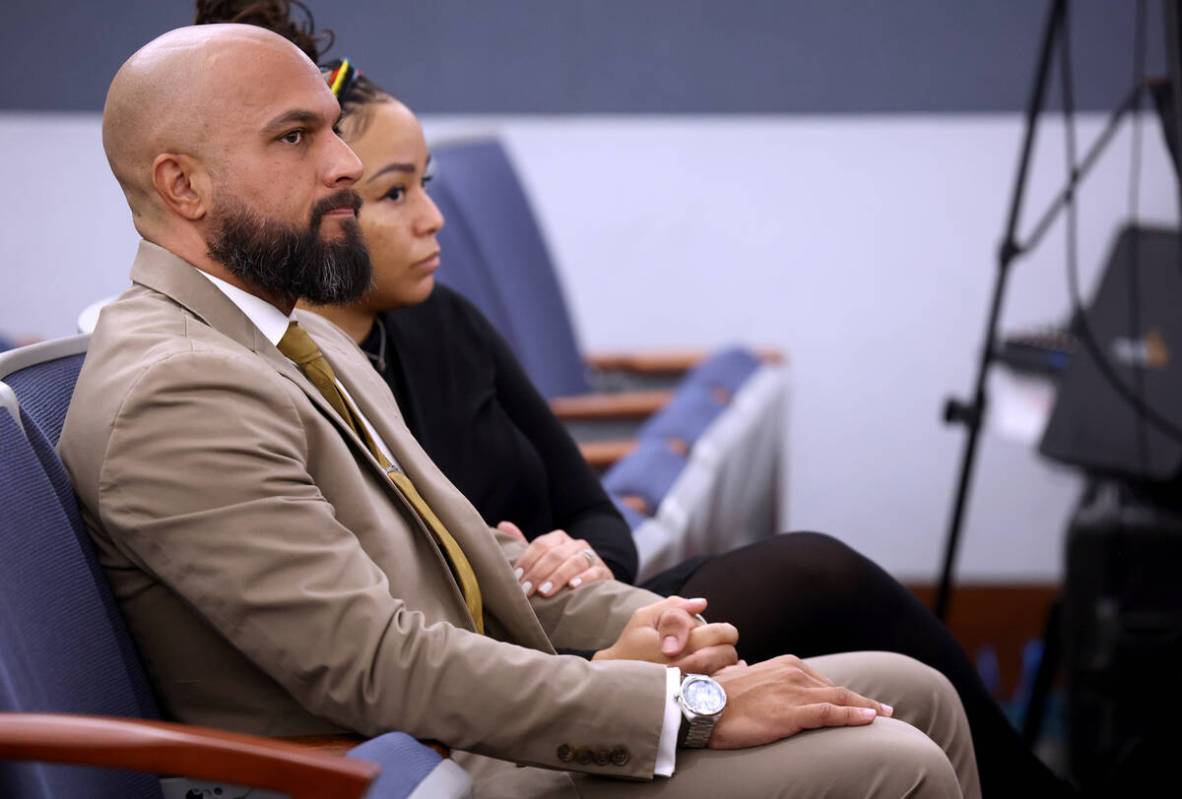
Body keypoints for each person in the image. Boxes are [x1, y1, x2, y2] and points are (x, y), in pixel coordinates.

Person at [60, 22, 980, 798]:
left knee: (914, 690)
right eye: (296, 138)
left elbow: (470, 553)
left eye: (335, 131)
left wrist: (645, 625)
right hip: (394, 771)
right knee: (891, 758)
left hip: (459, 730)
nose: (343, 164)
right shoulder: (177, 390)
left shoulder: (296, 337)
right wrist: (685, 707)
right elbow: (373, 665)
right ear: (183, 185)